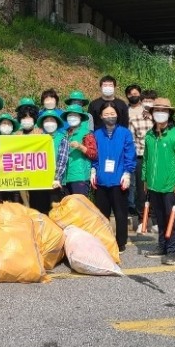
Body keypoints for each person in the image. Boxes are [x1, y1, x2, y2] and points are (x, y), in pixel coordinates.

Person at [142, 98, 175, 265]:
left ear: (169, 114)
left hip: (170, 186)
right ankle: (162, 246)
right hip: (154, 185)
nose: (160, 113)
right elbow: (146, 159)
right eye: (157, 110)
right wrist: (145, 179)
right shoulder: (149, 135)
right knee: (160, 218)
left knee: (171, 219)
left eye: (164, 110)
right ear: (152, 113)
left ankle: (172, 251)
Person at [91, 103, 136, 252]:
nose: (109, 116)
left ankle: (120, 242)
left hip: (119, 179)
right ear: (101, 116)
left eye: (112, 114)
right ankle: (104, 241)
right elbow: (94, 155)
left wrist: (127, 173)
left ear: (117, 115)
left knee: (120, 213)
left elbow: (130, 154)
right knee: (102, 214)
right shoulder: (97, 134)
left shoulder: (125, 133)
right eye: (106, 114)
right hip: (101, 180)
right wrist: (93, 170)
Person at [126, 84, 153, 230]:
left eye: (152, 101)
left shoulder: (162, 121)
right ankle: (142, 219)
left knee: (157, 188)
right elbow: (130, 142)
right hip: (140, 157)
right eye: (146, 101)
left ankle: (155, 219)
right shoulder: (134, 120)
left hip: (157, 159)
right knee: (141, 190)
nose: (149, 104)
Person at [36, 110, 70, 213]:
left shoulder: (62, 139)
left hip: (55, 183)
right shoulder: (38, 139)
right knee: (41, 211)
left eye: (52, 120)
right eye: (46, 121)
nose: (49, 123)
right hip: (41, 181)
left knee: (55, 212)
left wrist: (57, 178)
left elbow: (62, 160)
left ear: (57, 123)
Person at [60, 104, 97, 195]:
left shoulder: (86, 134)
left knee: (80, 203)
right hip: (65, 177)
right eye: (70, 115)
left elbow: (93, 154)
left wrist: (80, 147)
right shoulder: (64, 134)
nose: (72, 118)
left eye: (75, 115)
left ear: (80, 117)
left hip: (79, 176)